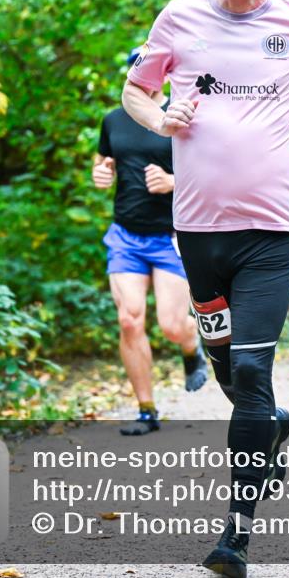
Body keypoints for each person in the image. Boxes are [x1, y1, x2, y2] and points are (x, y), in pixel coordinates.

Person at [122, 0, 289, 578]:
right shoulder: (179, 18)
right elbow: (136, 91)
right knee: (230, 374)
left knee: (252, 372)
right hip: (197, 233)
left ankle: (236, 536)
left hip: (270, 231)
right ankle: (271, 423)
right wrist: (158, 118)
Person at [93, 52, 207, 437]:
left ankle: (191, 348)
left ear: (163, 72)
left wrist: (175, 182)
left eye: (151, 67)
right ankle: (146, 411)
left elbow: (213, 174)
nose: (143, 74)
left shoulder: (181, 114)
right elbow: (103, 161)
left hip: (171, 235)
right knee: (129, 319)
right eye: (135, 67)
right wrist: (100, 172)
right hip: (126, 234)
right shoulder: (113, 119)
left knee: (172, 325)